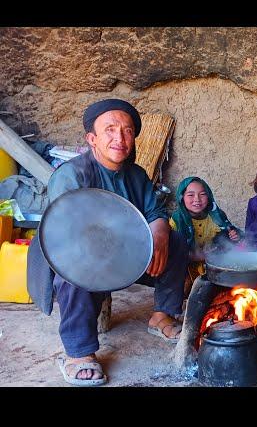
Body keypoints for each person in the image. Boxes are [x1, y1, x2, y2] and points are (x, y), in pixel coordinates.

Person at [27, 98, 189, 386]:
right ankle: (79, 353)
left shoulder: (136, 175)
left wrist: (160, 233)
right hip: (78, 255)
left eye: (127, 131)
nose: (120, 138)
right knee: (74, 269)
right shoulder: (72, 175)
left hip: (124, 255)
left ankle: (161, 316)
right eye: (110, 130)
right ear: (92, 139)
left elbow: (155, 212)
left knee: (175, 241)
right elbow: (69, 233)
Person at [170, 176, 240, 295]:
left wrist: (234, 236)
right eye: (190, 195)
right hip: (184, 268)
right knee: (183, 290)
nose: (197, 199)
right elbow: (171, 251)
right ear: (182, 197)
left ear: (209, 196)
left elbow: (228, 238)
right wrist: (194, 256)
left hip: (213, 266)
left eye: (202, 194)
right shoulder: (177, 220)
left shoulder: (216, 216)